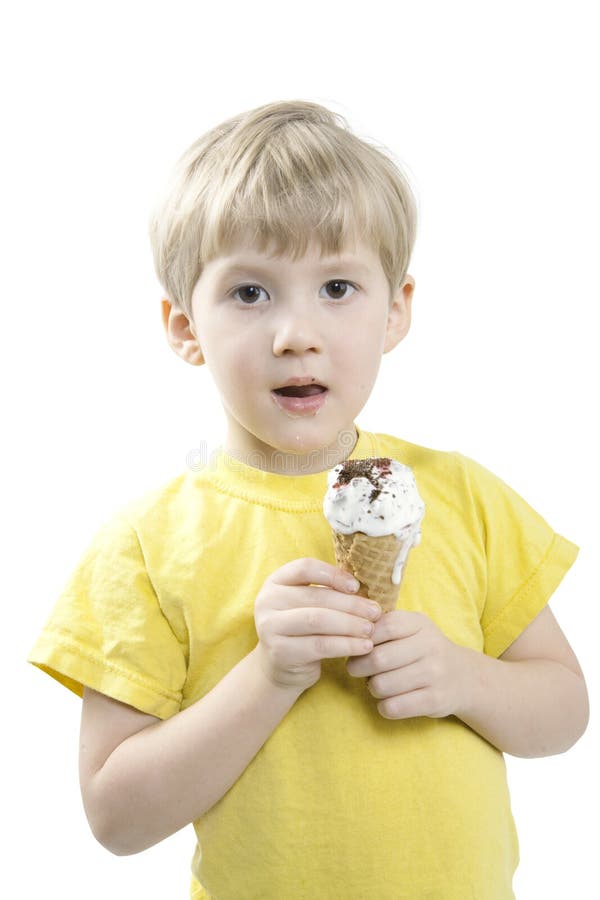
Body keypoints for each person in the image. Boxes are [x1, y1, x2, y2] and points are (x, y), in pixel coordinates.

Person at [28, 99, 589, 900]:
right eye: (250, 293)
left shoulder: (464, 495)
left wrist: (466, 679)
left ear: (395, 309)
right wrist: (270, 675)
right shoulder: (145, 544)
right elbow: (116, 817)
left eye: (336, 286)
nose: (296, 332)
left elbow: (565, 710)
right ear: (185, 327)